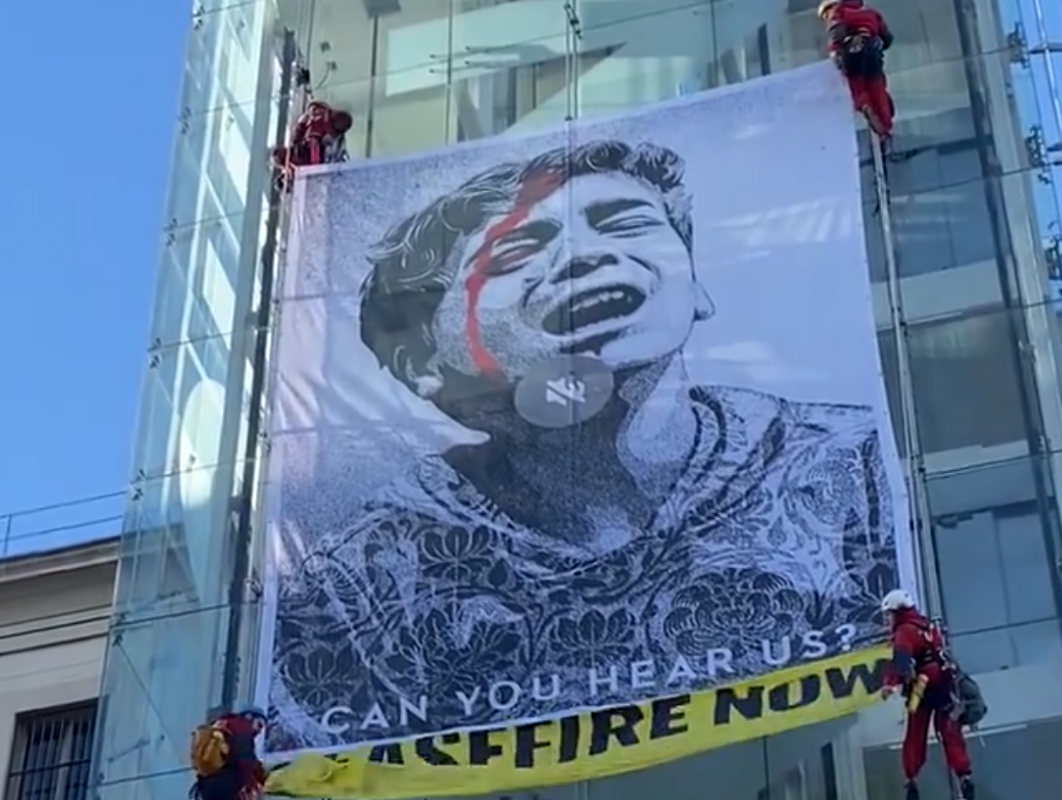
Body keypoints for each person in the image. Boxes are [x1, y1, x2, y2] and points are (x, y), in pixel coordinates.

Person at [264, 140, 902, 751]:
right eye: (514, 254)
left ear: (697, 286)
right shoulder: (353, 588)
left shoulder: (856, 467)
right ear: (424, 362)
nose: (583, 257)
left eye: (624, 224)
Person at [879, 589, 975, 800]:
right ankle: (964, 776)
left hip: (920, 688)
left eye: (888, 615)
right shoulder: (927, 626)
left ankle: (911, 782)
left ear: (897, 612)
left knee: (915, 733)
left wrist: (890, 685)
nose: (886, 620)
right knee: (950, 732)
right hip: (943, 684)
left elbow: (902, 662)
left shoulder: (904, 631)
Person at [818, 0, 895, 142]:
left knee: (857, 87)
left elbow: (836, 32)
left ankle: (864, 105)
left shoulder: (838, 11)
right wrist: (878, 41)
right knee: (877, 87)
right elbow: (888, 38)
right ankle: (885, 122)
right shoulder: (871, 13)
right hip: (872, 51)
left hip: (853, 50)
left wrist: (835, 53)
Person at [270, 100, 353, 191]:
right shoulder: (298, 173)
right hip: (321, 157)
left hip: (317, 145)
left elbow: (299, 132)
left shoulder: (296, 146)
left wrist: (304, 123)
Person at [190, 705, 269, 800]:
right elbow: (246, 760)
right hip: (225, 786)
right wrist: (259, 778)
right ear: (249, 717)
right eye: (259, 724)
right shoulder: (242, 727)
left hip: (206, 785)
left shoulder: (224, 725)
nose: (260, 731)